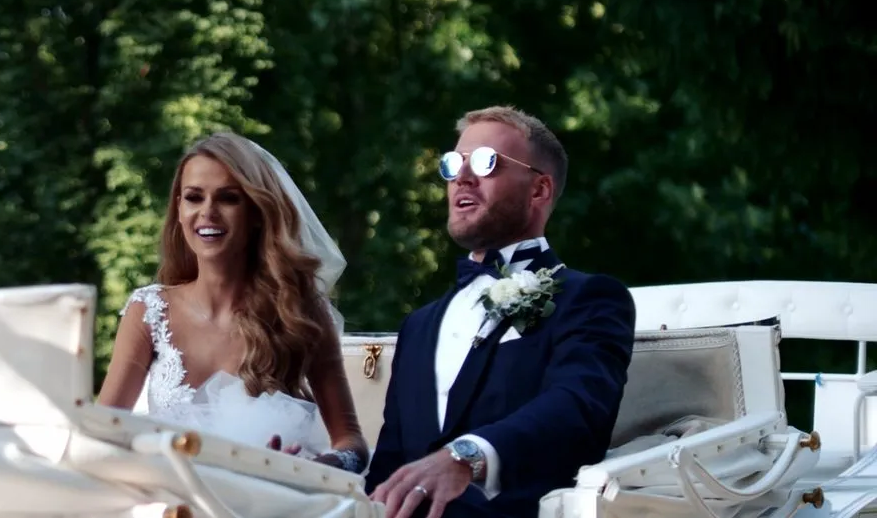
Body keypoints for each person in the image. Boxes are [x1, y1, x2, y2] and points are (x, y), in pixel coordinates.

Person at [366, 106, 636, 517]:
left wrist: (467, 456)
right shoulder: (418, 326)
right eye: (453, 163)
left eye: (485, 162)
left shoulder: (590, 298)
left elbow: (577, 408)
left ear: (539, 190)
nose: (462, 177)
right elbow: (388, 468)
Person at [97, 131, 370, 474]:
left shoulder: (300, 311)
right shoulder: (149, 311)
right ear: (179, 209)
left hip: (274, 495)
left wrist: (312, 468)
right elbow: (102, 434)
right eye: (194, 198)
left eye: (228, 198)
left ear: (256, 212)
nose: (208, 212)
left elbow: (351, 442)